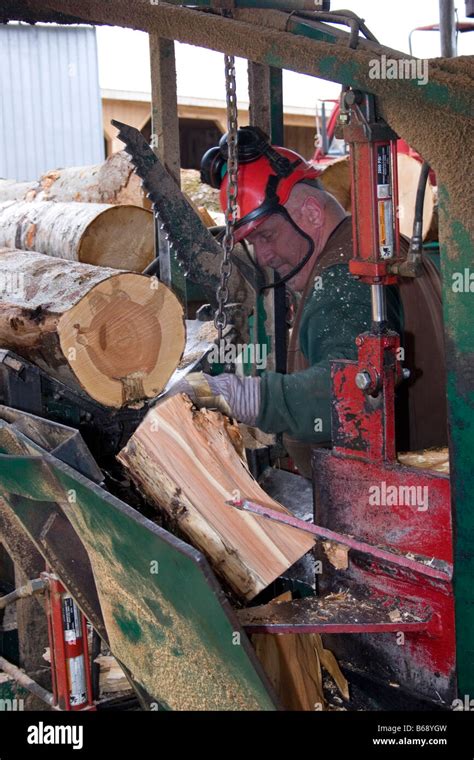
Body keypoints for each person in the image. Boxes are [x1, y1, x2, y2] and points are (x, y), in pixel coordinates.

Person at [171, 127, 446, 478]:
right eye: (254, 244)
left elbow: (348, 397)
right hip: (432, 480)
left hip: (390, 506)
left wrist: (234, 395)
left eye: (267, 236)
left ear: (312, 214)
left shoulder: (342, 276)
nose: (265, 256)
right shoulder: (384, 247)